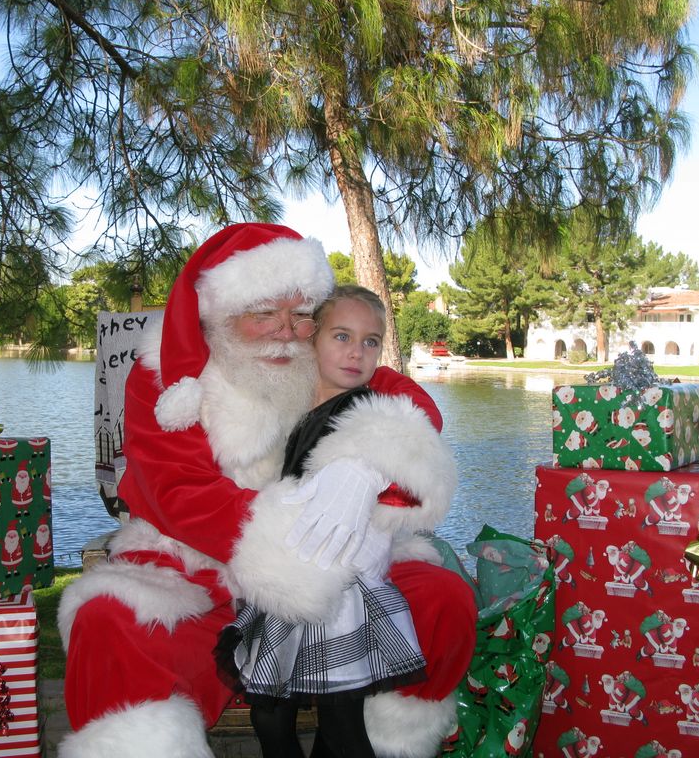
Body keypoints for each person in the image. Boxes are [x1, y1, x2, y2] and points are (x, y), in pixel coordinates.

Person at [58, 223, 476, 758]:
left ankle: (381, 741)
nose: (286, 331)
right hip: (196, 560)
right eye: (263, 314)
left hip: (341, 552)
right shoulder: (168, 380)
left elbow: (414, 406)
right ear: (221, 316)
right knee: (109, 622)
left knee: (442, 599)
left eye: (301, 314)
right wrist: (287, 547)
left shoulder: (325, 355)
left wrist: (367, 467)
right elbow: (178, 490)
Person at [222, 285, 456, 758]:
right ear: (313, 338)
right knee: (272, 714)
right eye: (342, 336)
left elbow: (408, 440)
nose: (357, 353)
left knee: (340, 722)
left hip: (341, 579)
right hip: (294, 568)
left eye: (371, 342)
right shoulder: (291, 400)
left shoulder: (367, 411)